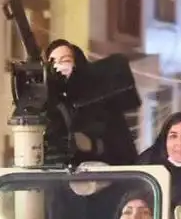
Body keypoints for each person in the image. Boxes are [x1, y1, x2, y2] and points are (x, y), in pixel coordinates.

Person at [45, 39, 139, 167]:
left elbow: (121, 149)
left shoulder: (102, 102)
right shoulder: (50, 106)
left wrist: (91, 144)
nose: (58, 67)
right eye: (52, 62)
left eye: (65, 60)